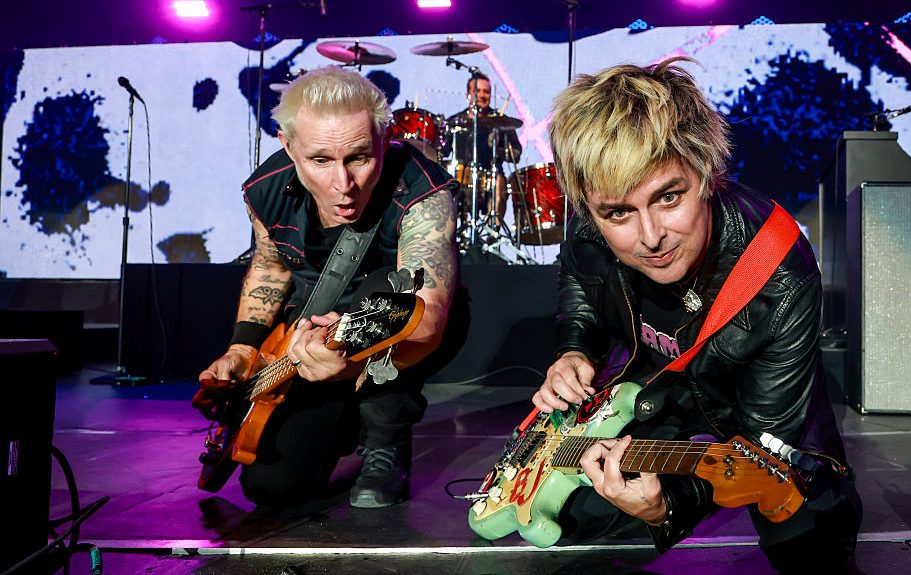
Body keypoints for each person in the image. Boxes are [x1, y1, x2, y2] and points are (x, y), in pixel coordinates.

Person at [532, 58, 862, 572]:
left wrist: (669, 506)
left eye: (668, 197)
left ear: (706, 174)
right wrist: (573, 349)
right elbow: (580, 278)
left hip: (757, 410)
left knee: (810, 542)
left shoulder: (779, 272)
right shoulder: (593, 218)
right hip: (655, 395)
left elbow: (766, 440)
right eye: (619, 212)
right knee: (574, 517)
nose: (650, 237)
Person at [193, 66, 459, 509]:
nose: (343, 184)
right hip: (309, 338)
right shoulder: (265, 190)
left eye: (359, 157)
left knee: (390, 291)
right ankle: (345, 418)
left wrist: (352, 366)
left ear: (385, 138)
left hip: (389, 327)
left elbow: (426, 317)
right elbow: (270, 268)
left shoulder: (422, 192)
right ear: (288, 146)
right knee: (273, 488)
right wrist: (242, 348)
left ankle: (385, 437)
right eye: (320, 160)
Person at [442, 72, 523, 222]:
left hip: (491, 179)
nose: (481, 95)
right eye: (477, 91)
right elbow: (442, 152)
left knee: (499, 180)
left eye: (486, 92)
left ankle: (494, 228)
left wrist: (497, 149)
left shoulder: (500, 122)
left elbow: (516, 154)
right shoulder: (456, 121)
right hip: (460, 179)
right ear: (468, 94)